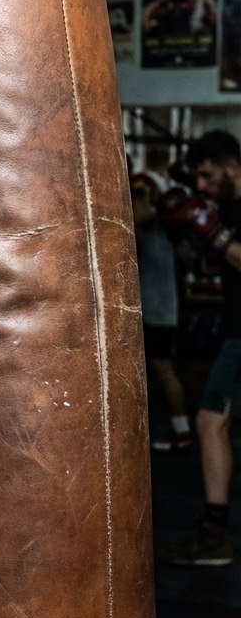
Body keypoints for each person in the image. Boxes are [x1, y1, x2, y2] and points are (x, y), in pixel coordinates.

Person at [157, 130, 241, 566]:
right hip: (235, 328)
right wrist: (184, 235)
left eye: (208, 176)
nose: (202, 186)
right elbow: (201, 260)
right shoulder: (223, 209)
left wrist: (212, 231)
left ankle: (215, 531)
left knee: (210, 421)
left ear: (232, 166)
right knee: (211, 420)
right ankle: (214, 530)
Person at [130, 170, 191, 451]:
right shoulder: (163, 229)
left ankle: (182, 430)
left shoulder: (158, 227)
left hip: (156, 311)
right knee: (149, 370)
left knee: (163, 369)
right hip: (156, 310)